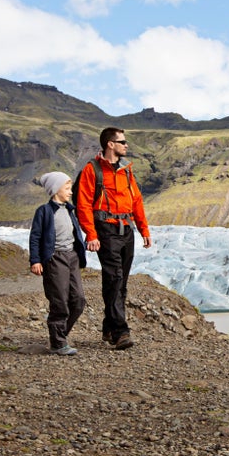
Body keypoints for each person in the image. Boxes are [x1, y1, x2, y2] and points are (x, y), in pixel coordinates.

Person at [76, 127, 151, 350]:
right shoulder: (93, 170)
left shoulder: (126, 171)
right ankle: (120, 332)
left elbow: (136, 201)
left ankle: (109, 327)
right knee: (114, 278)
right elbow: (83, 204)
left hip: (126, 230)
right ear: (110, 144)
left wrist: (144, 230)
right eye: (122, 142)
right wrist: (91, 234)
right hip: (106, 230)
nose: (126, 145)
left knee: (121, 282)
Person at [29, 172, 87, 356]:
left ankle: (59, 336)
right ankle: (58, 342)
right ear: (56, 189)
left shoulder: (70, 209)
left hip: (72, 257)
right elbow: (35, 237)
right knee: (59, 300)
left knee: (78, 300)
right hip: (55, 259)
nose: (70, 192)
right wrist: (36, 260)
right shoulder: (44, 211)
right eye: (67, 188)